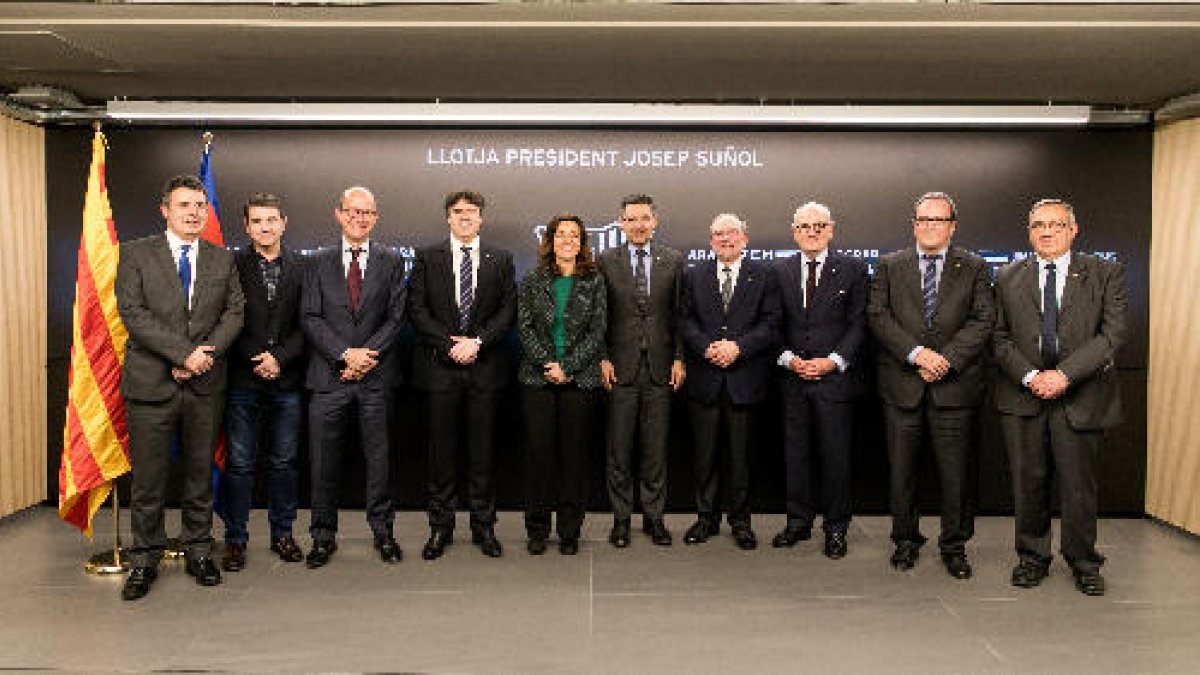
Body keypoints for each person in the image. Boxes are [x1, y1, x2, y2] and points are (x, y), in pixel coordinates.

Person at [115, 174, 245, 601]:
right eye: (184, 205)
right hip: (151, 384)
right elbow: (133, 313)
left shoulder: (221, 259)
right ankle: (145, 559)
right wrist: (182, 355)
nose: (193, 213)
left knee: (198, 476)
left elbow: (234, 313)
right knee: (149, 481)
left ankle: (198, 551)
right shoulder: (135, 254)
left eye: (199, 206)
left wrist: (202, 357)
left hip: (205, 384)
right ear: (165, 210)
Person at [993, 198, 1127, 596]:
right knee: (1028, 482)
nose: (1046, 232)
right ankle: (1031, 558)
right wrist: (1033, 375)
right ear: (1029, 232)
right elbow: (997, 338)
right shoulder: (1006, 276)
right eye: (1038, 226)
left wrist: (1065, 375)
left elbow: (1113, 335)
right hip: (1023, 396)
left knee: (1078, 487)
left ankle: (1084, 562)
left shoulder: (1106, 273)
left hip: (1080, 396)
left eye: (1055, 225)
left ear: (1073, 229)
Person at [867, 192, 996, 579]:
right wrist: (917, 354)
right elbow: (878, 315)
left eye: (937, 221)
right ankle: (905, 541)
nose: (929, 226)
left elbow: (983, 319)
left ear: (952, 226)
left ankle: (954, 546)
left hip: (954, 387)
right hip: (902, 385)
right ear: (914, 224)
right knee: (902, 472)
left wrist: (947, 359)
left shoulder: (973, 266)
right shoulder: (890, 265)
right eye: (922, 220)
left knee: (955, 474)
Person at [407, 190, 517, 560]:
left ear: (481, 218)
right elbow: (417, 310)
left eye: (471, 212)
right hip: (440, 368)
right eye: (458, 212)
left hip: (485, 370)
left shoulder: (500, 259)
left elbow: (507, 311)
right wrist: (449, 344)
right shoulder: (427, 257)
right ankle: (441, 528)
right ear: (448, 218)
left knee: (483, 453)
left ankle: (484, 528)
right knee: (441, 454)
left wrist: (478, 343)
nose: (465, 217)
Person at [300, 186, 406, 568]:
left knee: (380, 462)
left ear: (375, 218)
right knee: (324, 463)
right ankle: (322, 537)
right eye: (353, 212)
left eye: (367, 213)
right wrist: (345, 354)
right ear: (339, 215)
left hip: (377, 379)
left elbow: (396, 318)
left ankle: (384, 533)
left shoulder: (392, 261)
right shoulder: (317, 261)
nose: (360, 218)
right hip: (329, 378)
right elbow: (310, 317)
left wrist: (365, 357)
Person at [772, 201, 868, 560]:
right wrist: (789, 359)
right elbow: (771, 323)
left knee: (835, 457)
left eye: (818, 226)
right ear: (794, 231)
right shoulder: (778, 271)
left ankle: (836, 528)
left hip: (835, 382)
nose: (811, 232)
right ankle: (798, 523)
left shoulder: (853, 269)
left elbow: (859, 324)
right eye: (804, 227)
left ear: (831, 229)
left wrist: (832, 362)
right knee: (795, 456)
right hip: (792, 378)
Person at [679, 213, 780, 550]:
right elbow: (685, 320)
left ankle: (741, 522)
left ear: (744, 239)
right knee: (704, 456)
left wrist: (739, 346)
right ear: (711, 241)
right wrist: (706, 347)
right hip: (705, 380)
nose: (725, 239)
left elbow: (771, 323)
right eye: (718, 234)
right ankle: (705, 518)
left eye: (732, 233)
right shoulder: (694, 276)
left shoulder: (764, 275)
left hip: (744, 379)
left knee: (742, 458)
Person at [220, 193, 308, 572]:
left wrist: (280, 358)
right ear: (247, 226)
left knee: (284, 463)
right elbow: (224, 318)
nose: (265, 227)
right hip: (243, 379)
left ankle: (283, 535)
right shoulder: (229, 265)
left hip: (287, 380)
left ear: (284, 223)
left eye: (271, 220)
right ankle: (236, 540)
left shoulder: (303, 266)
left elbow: (310, 322)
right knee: (239, 464)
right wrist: (257, 358)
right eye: (257, 221)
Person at [597, 194, 686, 548]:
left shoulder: (673, 260)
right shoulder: (606, 261)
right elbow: (598, 316)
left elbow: (681, 314)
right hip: (619, 369)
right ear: (621, 223)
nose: (638, 225)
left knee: (654, 450)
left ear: (655, 221)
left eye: (644, 218)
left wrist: (680, 357)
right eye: (631, 219)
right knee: (619, 450)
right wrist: (602, 357)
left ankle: (654, 518)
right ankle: (621, 520)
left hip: (661, 370)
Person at [517, 213, 607, 556]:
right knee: (539, 457)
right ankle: (537, 529)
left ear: (582, 242)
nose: (567, 240)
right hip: (537, 379)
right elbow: (524, 326)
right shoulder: (533, 277)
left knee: (574, 458)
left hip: (579, 381)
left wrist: (567, 367)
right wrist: (548, 364)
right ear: (550, 240)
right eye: (560, 234)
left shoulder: (594, 280)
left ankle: (570, 531)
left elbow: (598, 330)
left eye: (573, 235)